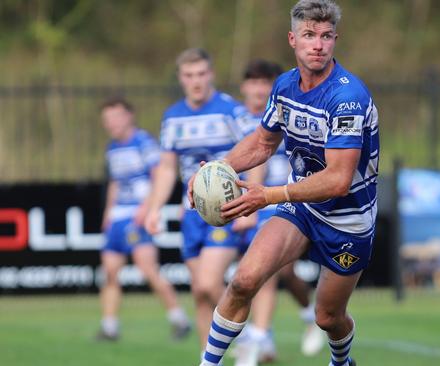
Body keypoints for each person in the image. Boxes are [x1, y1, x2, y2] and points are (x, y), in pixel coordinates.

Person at [190, 1, 380, 365]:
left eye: (326, 36)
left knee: (328, 318)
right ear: (293, 39)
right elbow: (263, 142)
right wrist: (216, 169)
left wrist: (269, 196)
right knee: (243, 280)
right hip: (302, 208)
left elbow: (339, 179)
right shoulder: (285, 86)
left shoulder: (347, 98)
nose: (318, 44)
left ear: (335, 40)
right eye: (309, 35)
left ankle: (342, 361)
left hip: (348, 220)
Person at [143, 48, 264, 354]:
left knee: (210, 284)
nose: (195, 81)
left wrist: (251, 202)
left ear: (210, 74)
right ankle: (209, 360)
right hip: (191, 214)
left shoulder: (229, 110)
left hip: (226, 209)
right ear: (180, 78)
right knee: (199, 291)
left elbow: (258, 150)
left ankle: (245, 333)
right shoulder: (172, 117)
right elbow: (168, 168)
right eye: (188, 75)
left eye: (200, 74)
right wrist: (154, 208)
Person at [232, 59, 325, 366]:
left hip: (282, 199)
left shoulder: (288, 113)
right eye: (253, 82)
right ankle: (299, 318)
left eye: (265, 83)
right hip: (249, 201)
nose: (259, 89)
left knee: (274, 271)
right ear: (244, 86)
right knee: (253, 275)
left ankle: (259, 340)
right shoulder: (236, 117)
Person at [97, 97, 191, 342]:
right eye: (107, 119)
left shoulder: (144, 142)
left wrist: (147, 207)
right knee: (109, 273)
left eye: (116, 117)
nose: (112, 123)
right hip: (117, 217)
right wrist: (108, 211)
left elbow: (158, 174)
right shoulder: (112, 147)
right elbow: (115, 182)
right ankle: (109, 327)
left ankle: (179, 319)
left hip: (137, 215)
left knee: (148, 270)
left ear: (130, 116)